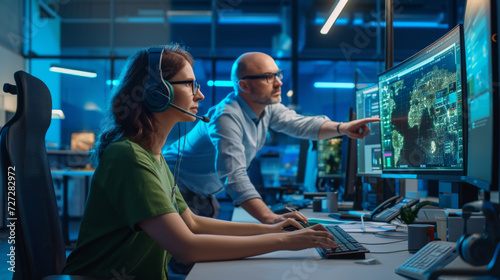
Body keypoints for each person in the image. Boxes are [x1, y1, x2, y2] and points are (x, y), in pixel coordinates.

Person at [62, 44, 338, 279]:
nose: (200, 95)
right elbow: (187, 247)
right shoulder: (130, 157)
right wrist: (286, 241)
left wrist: (271, 228)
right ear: (157, 92)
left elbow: (193, 223)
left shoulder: (153, 155)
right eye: (190, 84)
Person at [163, 51, 380, 224]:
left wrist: (343, 127)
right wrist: (269, 217)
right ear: (244, 86)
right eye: (269, 77)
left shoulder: (267, 108)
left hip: (204, 191)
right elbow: (234, 175)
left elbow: (300, 124)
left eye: (278, 74)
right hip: (175, 184)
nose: (279, 83)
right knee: (187, 262)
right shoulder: (226, 117)